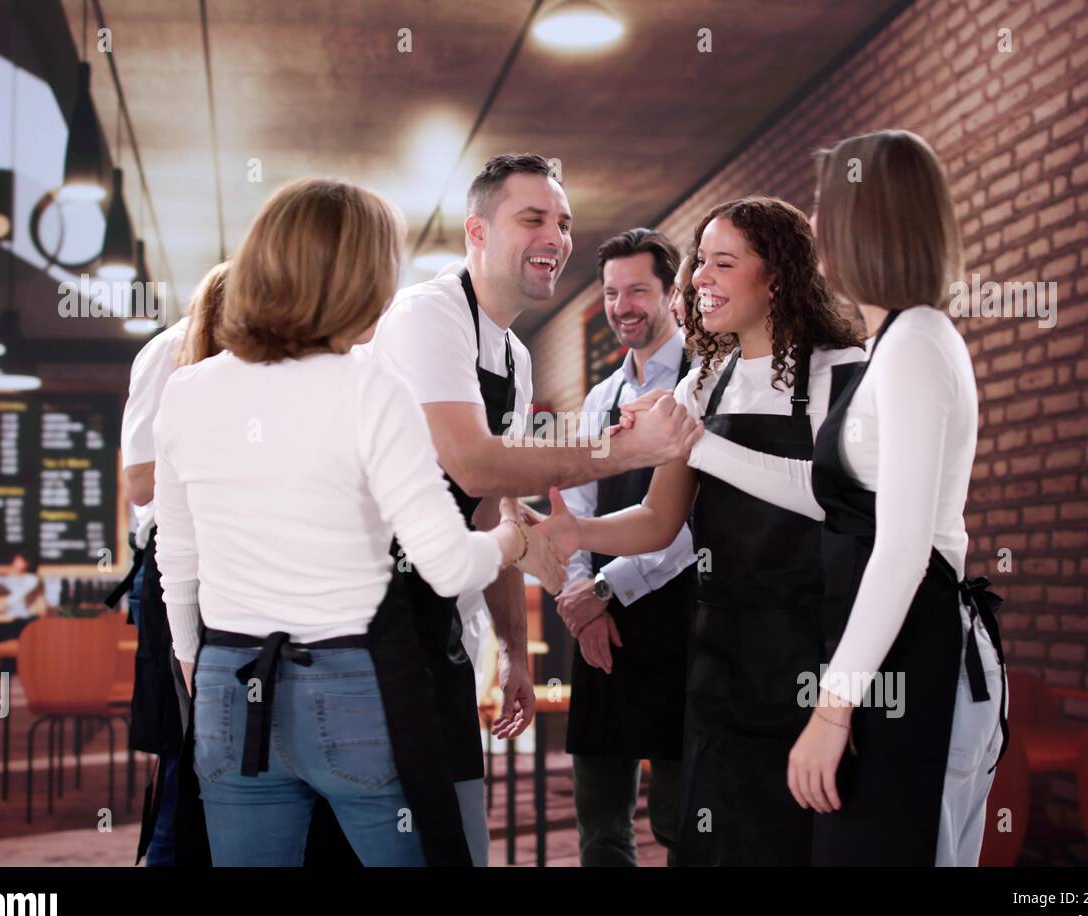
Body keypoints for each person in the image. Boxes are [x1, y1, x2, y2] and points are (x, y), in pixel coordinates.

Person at [154, 177, 571, 866]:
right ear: (358, 277)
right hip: (350, 685)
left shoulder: (188, 389)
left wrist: (194, 659)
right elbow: (446, 563)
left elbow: (179, 558)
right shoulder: (369, 390)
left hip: (229, 684)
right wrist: (514, 539)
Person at [664, 130, 1009, 866]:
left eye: (827, 208)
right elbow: (827, 495)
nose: (815, 226)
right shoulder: (896, 340)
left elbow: (904, 547)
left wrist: (832, 705)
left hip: (916, 642)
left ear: (867, 221)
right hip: (886, 645)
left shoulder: (916, 340)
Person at [368, 153, 702, 864]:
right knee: (392, 840)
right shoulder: (427, 316)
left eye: (564, 221)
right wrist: (619, 455)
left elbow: (494, 509)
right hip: (369, 629)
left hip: (442, 629)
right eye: (533, 218)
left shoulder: (517, 359)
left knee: (462, 841)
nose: (556, 234)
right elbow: (473, 461)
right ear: (477, 232)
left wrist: (516, 650)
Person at [538, 196, 865, 864]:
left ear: (777, 275)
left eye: (723, 263)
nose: (699, 282)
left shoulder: (841, 370)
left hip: (813, 651)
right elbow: (660, 521)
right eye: (698, 265)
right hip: (719, 659)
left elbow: (838, 502)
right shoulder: (704, 383)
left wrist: (699, 445)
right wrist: (579, 534)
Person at [556, 228, 697, 866]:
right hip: (599, 629)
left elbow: (691, 525)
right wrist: (580, 600)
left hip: (680, 625)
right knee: (601, 827)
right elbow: (575, 511)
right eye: (611, 293)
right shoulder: (599, 398)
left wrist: (605, 588)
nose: (622, 306)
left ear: (671, 293)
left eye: (638, 289)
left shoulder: (705, 383)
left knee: (680, 823)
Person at [111, 261, 227, 866]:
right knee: (187, 750)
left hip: (223, 568)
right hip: (171, 572)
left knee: (218, 753)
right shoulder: (168, 355)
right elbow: (137, 482)